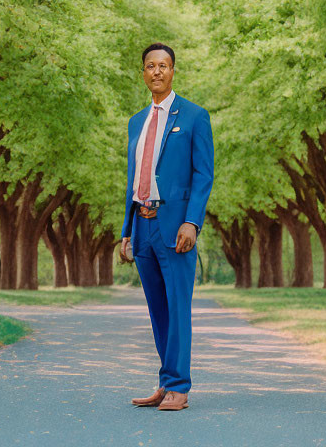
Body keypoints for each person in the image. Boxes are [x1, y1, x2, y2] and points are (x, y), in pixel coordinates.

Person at [119, 42, 213, 411]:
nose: (156, 71)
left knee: (178, 308)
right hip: (142, 227)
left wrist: (192, 222)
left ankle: (179, 386)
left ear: (173, 71)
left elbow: (203, 175)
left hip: (175, 228)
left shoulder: (193, 117)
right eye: (150, 66)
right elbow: (132, 179)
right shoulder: (136, 122)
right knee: (157, 310)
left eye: (164, 65)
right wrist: (126, 231)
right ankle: (165, 382)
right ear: (142, 73)